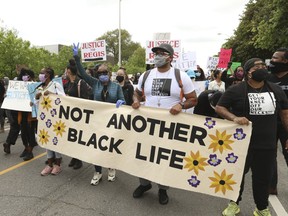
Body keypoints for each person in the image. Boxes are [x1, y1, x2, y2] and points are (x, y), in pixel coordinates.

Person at [215, 58, 288, 216]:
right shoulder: (236, 90)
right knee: (237, 176)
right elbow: (220, 107)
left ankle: (261, 208)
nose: (261, 68)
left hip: (267, 145)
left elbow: (285, 114)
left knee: (263, 178)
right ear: (248, 72)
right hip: (241, 144)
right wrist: (234, 117)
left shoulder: (276, 90)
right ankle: (233, 204)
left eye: (263, 66)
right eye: (257, 67)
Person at [131, 43, 197, 205]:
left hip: (170, 127)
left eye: (162, 53)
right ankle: (144, 184)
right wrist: (135, 101)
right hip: (147, 125)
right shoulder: (146, 75)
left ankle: (162, 189)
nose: (158, 56)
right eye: (156, 53)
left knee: (164, 158)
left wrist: (181, 105)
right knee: (144, 154)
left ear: (170, 57)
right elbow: (137, 93)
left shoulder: (180, 76)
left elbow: (193, 99)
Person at [73, 43, 125, 186]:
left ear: (109, 74)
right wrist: (77, 57)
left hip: (112, 122)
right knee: (96, 146)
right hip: (96, 121)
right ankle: (97, 172)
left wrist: (121, 102)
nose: (102, 75)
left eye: (104, 73)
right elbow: (82, 73)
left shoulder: (116, 87)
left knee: (109, 146)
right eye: (100, 73)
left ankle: (111, 168)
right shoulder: (95, 83)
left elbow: (124, 101)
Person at [35, 67, 65, 176]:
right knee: (46, 141)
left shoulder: (56, 85)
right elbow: (36, 103)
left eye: (42, 73)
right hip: (43, 119)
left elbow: (63, 98)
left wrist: (52, 93)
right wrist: (37, 98)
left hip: (55, 118)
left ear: (48, 74)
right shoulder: (40, 87)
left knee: (55, 141)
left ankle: (57, 165)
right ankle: (49, 164)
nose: (40, 75)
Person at [266, 47, 288, 195]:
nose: (271, 61)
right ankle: (271, 187)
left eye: (275, 58)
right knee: (269, 155)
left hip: (287, 122)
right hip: (270, 123)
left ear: (285, 61)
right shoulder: (267, 79)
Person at [64, 59, 92, 170]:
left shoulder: (81, 83)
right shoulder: (69, 83)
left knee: (78, 137)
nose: (65, 72)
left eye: (66, 70)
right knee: (71, 137)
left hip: (79, 116)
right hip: (70, 115)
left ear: (69, 71)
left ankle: (79, 160)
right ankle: (74, 157)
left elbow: (85, 100)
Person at [17, 68, 38, 161]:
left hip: (31, 114)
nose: (25, 77)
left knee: (30, 133)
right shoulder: (21, 86)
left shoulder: (35, 85)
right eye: (24, 75)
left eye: (27, 75)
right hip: (22, 113)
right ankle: (26, 148)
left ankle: (30, 151)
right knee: (23, 133)